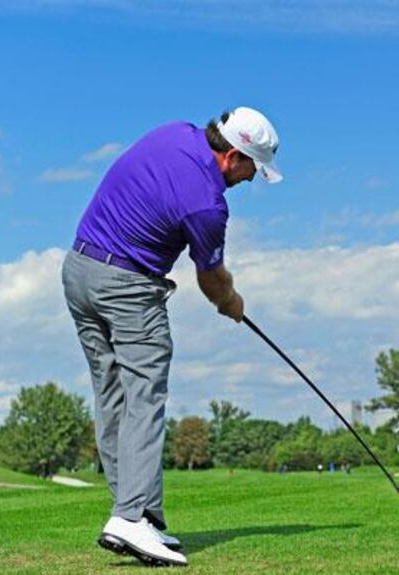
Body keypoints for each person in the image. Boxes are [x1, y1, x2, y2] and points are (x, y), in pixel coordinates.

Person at [62, 108, 283, 567]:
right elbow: (212, 281)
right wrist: (232, 303)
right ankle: (129, 516)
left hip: (79, 272)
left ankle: (137, 516)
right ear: (234, 157)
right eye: (251, 169)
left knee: (113, 398)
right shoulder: (208, 203)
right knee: (143, 398)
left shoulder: (173, 131)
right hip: (128, 288)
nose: (249, 180)